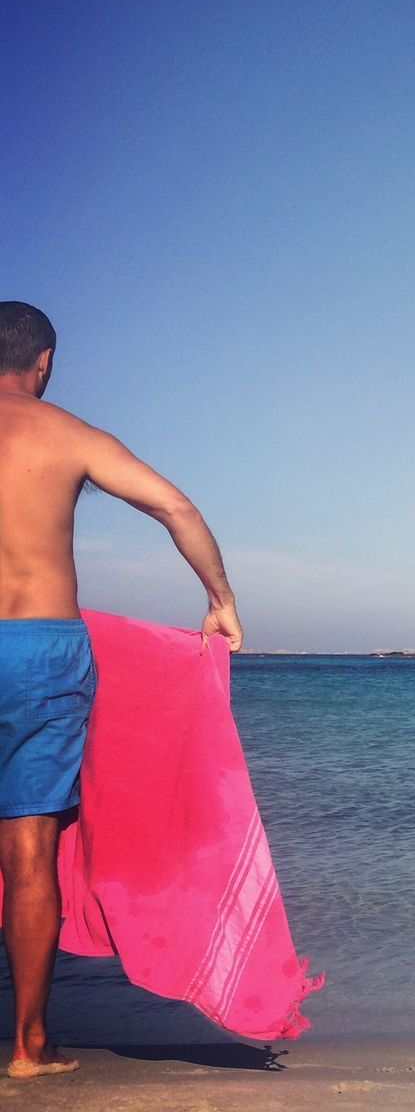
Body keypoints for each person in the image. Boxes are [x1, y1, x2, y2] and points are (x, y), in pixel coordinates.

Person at [0, 300, 242, 1079]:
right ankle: (30, 1045)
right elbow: (177, 506)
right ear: (44, 363)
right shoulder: (72, 435)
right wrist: (220, 600)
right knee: (30, 848)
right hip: (42, 651)